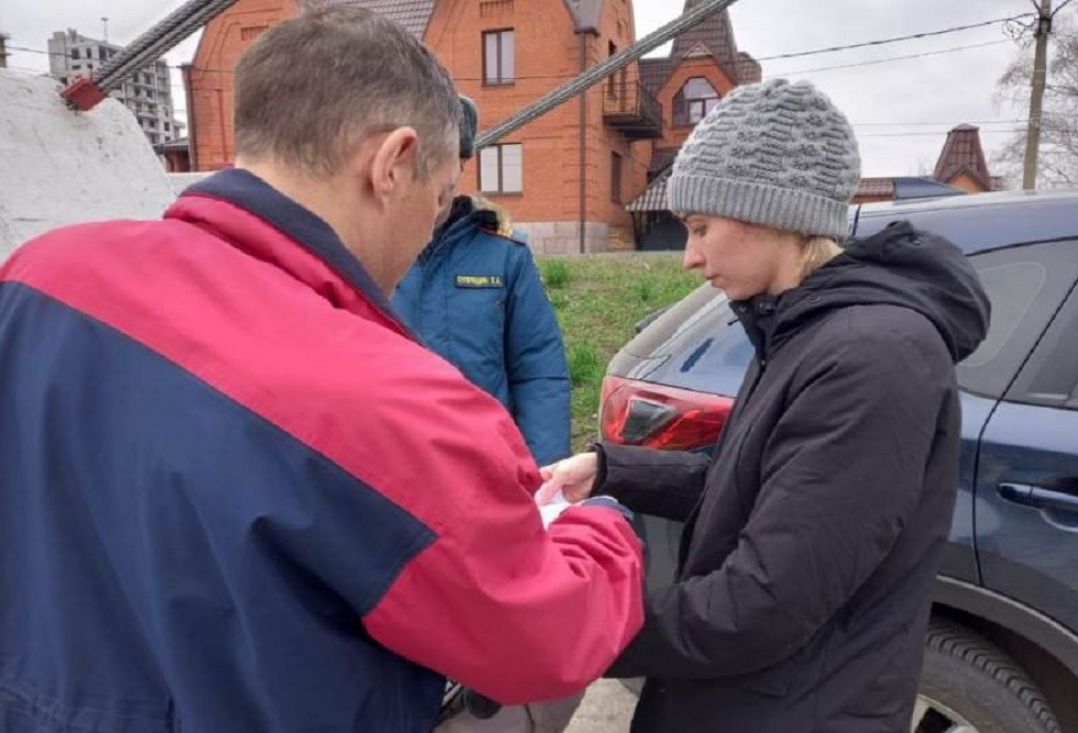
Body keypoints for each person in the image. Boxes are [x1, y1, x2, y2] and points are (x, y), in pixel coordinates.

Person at [0, 7, 643, 733]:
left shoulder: (37, 275)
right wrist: (604, 525)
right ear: (392, 164)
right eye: (437, 200)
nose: (427, 234)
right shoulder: (385, 400)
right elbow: (542, 642)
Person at [538, 79, 991, 733]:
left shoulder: (871, 358)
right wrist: (611, 471)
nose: (690, 257)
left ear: (767, 212)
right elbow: (754, 486)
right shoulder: (798, 327)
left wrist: (579, 630)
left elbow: (763, 604)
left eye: (701, 228)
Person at [393, 97, 571, 467]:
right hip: (394, 465)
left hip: (483, 465)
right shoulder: (365, 250)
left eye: (442, 157)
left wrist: (542, 475)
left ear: (461, 162)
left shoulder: (505, 254)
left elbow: (538, 370)